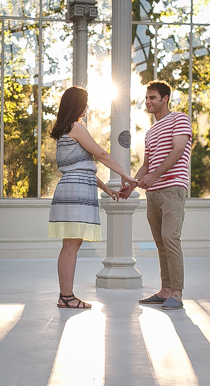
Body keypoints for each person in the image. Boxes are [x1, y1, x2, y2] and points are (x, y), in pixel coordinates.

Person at [48, 86, 136, 309]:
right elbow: (101, 154)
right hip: (76, 188)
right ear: (77, 104)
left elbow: (82, 167)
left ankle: (66, 296)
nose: (88, 107)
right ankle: (66, 297)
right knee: (71, 245)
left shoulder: (65, 129)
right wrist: (125, 175)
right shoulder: (76, 127)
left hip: (75, 185)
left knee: (71, 243)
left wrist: (107, 189)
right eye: (85, 103)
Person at [120, 80, 193, 310]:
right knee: (161, 243)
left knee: (171, 239)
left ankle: (177, 294)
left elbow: (178, 150)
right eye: (147, 97)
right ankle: (165, 291)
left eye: (153, 97)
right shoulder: (151, 132)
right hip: (153, 194)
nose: (148, 101)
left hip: (173, 188)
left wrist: (154, 176)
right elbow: (147, 165)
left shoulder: (179, 118)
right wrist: (131, 185)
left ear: (165, 99)